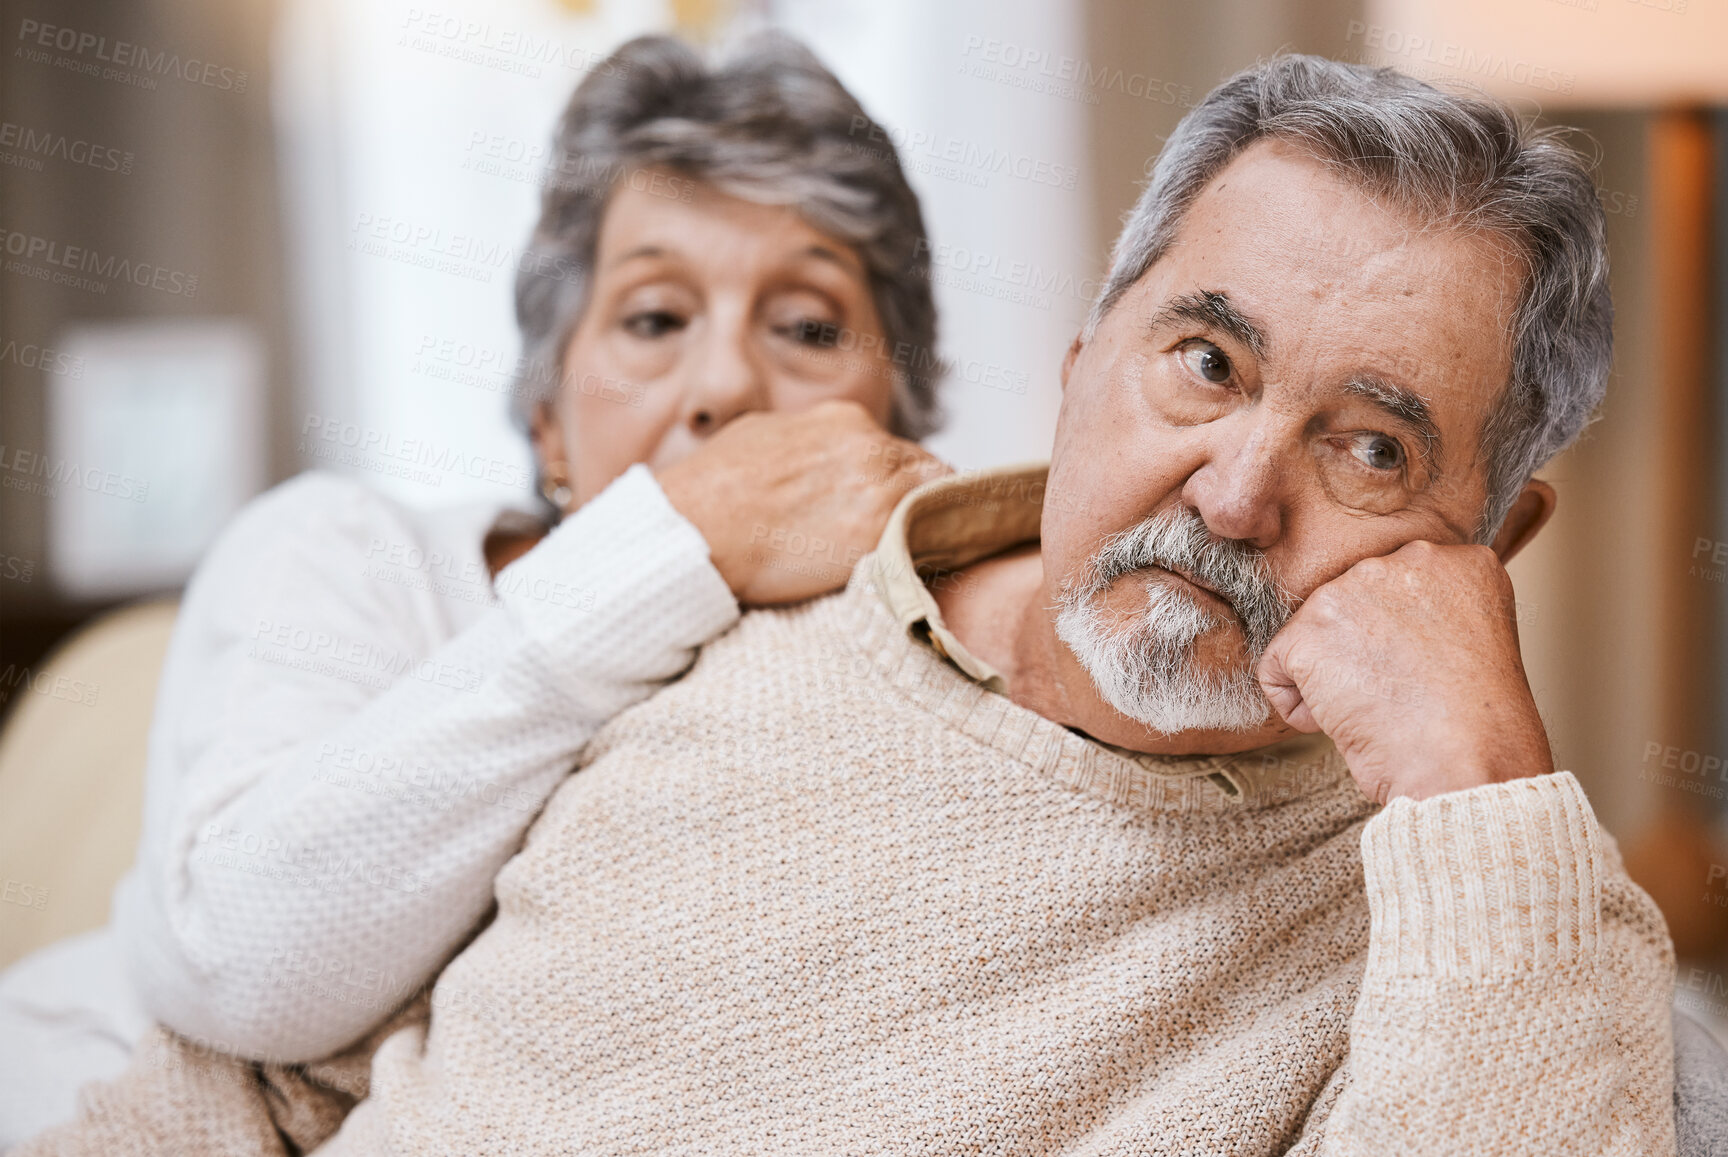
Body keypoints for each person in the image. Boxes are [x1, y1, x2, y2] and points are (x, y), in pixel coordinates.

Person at [16, 53, 1683, 1157]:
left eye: (1371, 443)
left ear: (1492, 533)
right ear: (1077, 357)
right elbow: (261, 1071)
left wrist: (1478, 796)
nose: (1238, 490)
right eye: (1203, 359)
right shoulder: (692, 630)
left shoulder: (1485, 924)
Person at [0, 31, 944, 1148]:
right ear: (549, 420)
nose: (729, 382)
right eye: (653, 318)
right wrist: (678, 540)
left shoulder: (914, 695)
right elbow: (236, 965)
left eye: (806, 326)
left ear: (899, 427)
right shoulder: (342, 552)